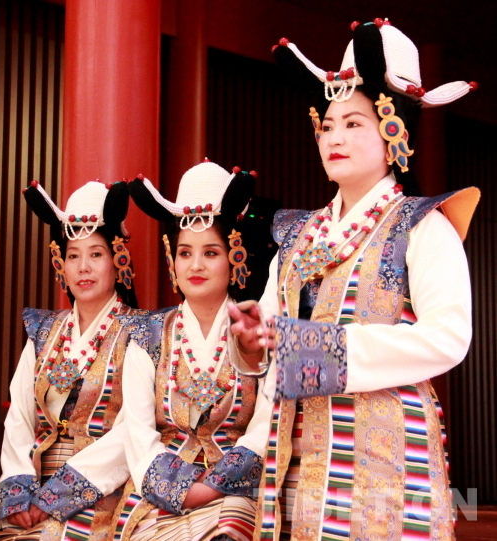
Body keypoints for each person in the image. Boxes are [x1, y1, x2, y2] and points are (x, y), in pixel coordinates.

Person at [231, 20, 480, 540]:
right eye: (327, 125)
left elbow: (448, 338)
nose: (334, 137)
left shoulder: (422, 225)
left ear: (395, 132)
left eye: (353, 123)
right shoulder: (297, 236)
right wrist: (252, 342)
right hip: (294, 455)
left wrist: (318, 348)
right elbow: (275, 342)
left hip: (386, 458)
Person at [110, 161, 273, 541]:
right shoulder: (146, 333)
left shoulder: (257, 328)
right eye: (185, 253)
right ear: (172, 259)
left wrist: (213, 486)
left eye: (210, 253)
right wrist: (180, 489)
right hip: (158, 494)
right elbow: (138, 433)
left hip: (237, 492)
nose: (195, 265)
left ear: (234, 256)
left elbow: (266, 423)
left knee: (230, 526)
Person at [0, 180, 147, 541]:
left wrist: (59, 494)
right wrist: (19, 489)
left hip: (103, 489)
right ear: (61, 264)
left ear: (118, 260)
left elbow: (131, 430)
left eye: (96, 254)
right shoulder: (44, 330)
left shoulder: (140, 333)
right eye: (73, 256)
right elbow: (20, 417)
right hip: (33, 487)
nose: (83, 267)